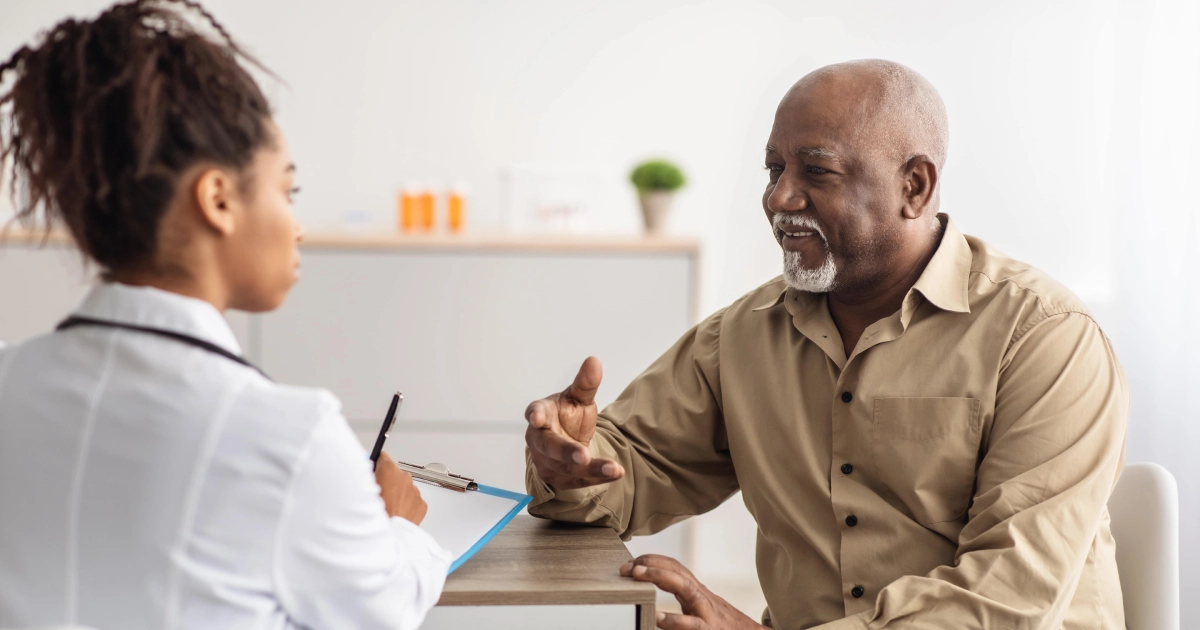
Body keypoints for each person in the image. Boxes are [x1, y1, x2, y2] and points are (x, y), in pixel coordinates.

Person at [524, 60, 1127, 630]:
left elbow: (1006, 600)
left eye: (816, 171)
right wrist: (571, 463)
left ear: (914, 186)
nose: (778, 198)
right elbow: (632, 469)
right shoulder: (744, 334)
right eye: (773, 170)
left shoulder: (1046, 339)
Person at [0, 2, 449, 628]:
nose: (296, 226)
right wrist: (400, 525)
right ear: (217, 199)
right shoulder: (288, 436)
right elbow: (382, 609)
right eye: (286, 192)